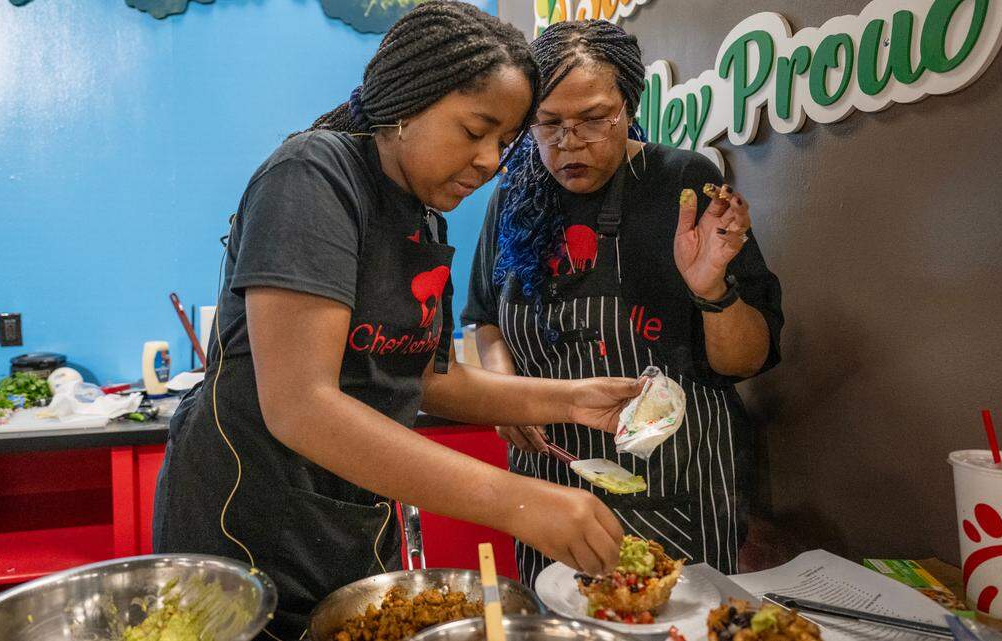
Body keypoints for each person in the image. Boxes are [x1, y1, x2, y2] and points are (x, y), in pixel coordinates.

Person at [153, 4, 647, 638]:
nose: (490, 161)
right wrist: (519, 501)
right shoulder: (312, 175)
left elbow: (430, 380)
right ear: (408, 101)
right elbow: (300, 405)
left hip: (349, 518)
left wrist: (572, 401)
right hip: (250, 520)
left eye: (503, 142)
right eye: (475, 130)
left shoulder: (422, 215)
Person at [462, 19, 784, 586]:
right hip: (552, 477)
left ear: (628, 106)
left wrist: (711, 290)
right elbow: (484, 318)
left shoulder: (683, 181)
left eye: (593, 119)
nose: (570, 142)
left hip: (678, 485)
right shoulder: (514, 194)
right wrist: (507, 394)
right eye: (549, 124)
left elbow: (746, 361)